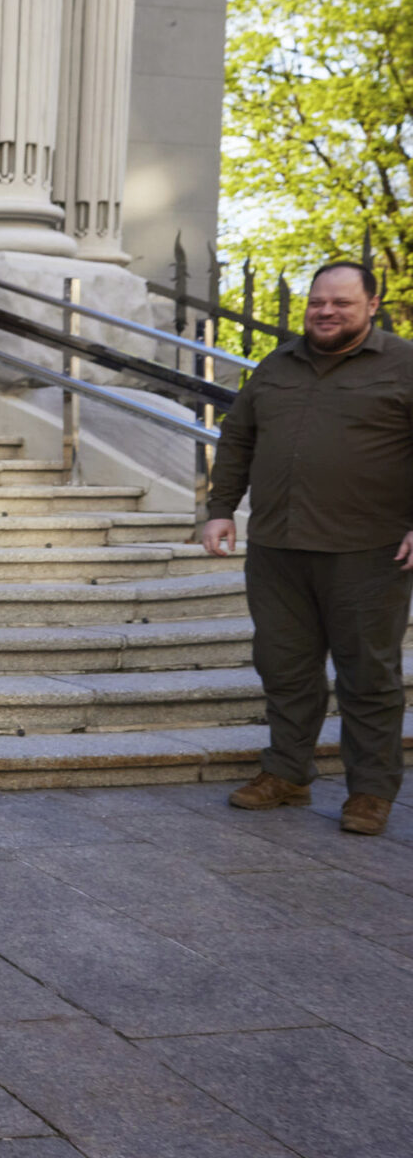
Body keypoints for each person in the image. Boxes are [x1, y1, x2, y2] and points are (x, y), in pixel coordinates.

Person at [203, 262, 413, 836]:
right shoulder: (277, 365)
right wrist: (221, 508)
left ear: (372, 304)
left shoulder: (404, 364)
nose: (326, 312)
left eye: (341, 303)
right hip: (278, 548)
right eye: (318, 302)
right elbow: (238, 436)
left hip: (368, 552)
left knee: (368, 676)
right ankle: (287, 774)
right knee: (284, 668)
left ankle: (370, 791)